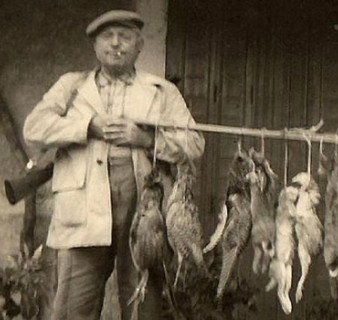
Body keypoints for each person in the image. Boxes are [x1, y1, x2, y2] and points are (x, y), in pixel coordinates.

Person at [22, 10, 205, 320]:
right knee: (73, 306)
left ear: (139, 46)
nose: (116, 44)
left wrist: (146, 140)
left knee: (142, 300)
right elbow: (34, 128)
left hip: (145, 206)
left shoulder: (162, 91)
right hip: (83, 204)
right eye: (108, 36)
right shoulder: (73, 86)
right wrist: (87, 126)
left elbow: (194, 145)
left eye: (126, 36)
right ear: (95, 46)